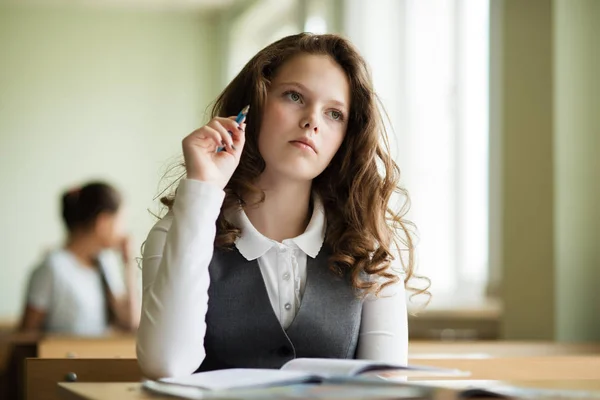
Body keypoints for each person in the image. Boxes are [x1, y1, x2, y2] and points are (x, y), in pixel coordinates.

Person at [137, 33, 428, 379]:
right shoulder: (176, 231)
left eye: (334, 114)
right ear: (253, 106)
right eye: (294, 96)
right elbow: (165, 365)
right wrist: (202, 190)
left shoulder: (370, 248)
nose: (312, 121)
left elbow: (387, 389)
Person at [19, 182, 140, 335]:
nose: (124, 230)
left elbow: (132, 322)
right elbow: (27, 335)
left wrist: (129, 265)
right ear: (102, 222)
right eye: (121, 221)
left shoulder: (106, 263)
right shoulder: (52, 267)